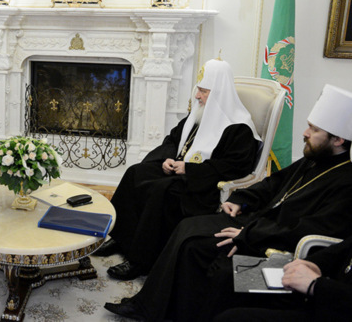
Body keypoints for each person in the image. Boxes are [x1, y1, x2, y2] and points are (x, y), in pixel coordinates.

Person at [104, 84, 352, 322]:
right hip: (255, 222)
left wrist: (248, 235)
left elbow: (310, 229)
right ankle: (150, 306)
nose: (305, 133)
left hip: (270, 239)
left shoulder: (345, 182)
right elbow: (272, 184)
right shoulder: (312, 159)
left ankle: (163, 310)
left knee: (194, 246)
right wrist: (241, 198)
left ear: (338, 140)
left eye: (314, 129)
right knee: (186, 227)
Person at [95, 58, 260, 281]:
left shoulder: (239, 127)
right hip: (178, 170)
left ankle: (140, 260)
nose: (198, 96)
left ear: (219, 93)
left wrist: (190, 169)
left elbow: (234, 166)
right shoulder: (198, 116)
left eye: (203, 91)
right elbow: (172, 140)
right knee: (136, 172)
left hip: (202, 183)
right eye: (198, 90)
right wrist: (168, 158)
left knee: (160, 191)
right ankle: (121, 237)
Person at [213, 234, 352, 322]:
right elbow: (343, 249)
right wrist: (311, 263)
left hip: (334, 306)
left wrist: (316, 285)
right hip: (325, 297)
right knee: (230, 279)